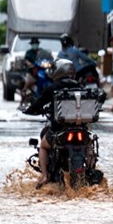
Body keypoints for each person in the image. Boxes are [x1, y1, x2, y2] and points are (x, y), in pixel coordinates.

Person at [23, 58, 82, 188]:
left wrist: (29, 110)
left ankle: (45, 176)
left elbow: (38, 103)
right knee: (88, 147)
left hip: (59, 129)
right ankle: (89, 168)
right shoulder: (80, 87)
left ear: (58, 72)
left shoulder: (52, 88)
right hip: (81, 128)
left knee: (43, 146)